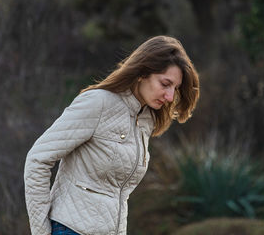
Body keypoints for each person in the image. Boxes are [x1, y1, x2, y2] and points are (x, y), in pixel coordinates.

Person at [24, 35, 200, 235]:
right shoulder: (98, 103)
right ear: (143, 72)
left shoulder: (146, 120)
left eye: (175, 89)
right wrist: (41, 232)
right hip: (70, 229)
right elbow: (37, 159)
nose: (169, 97)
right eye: (165, 84)